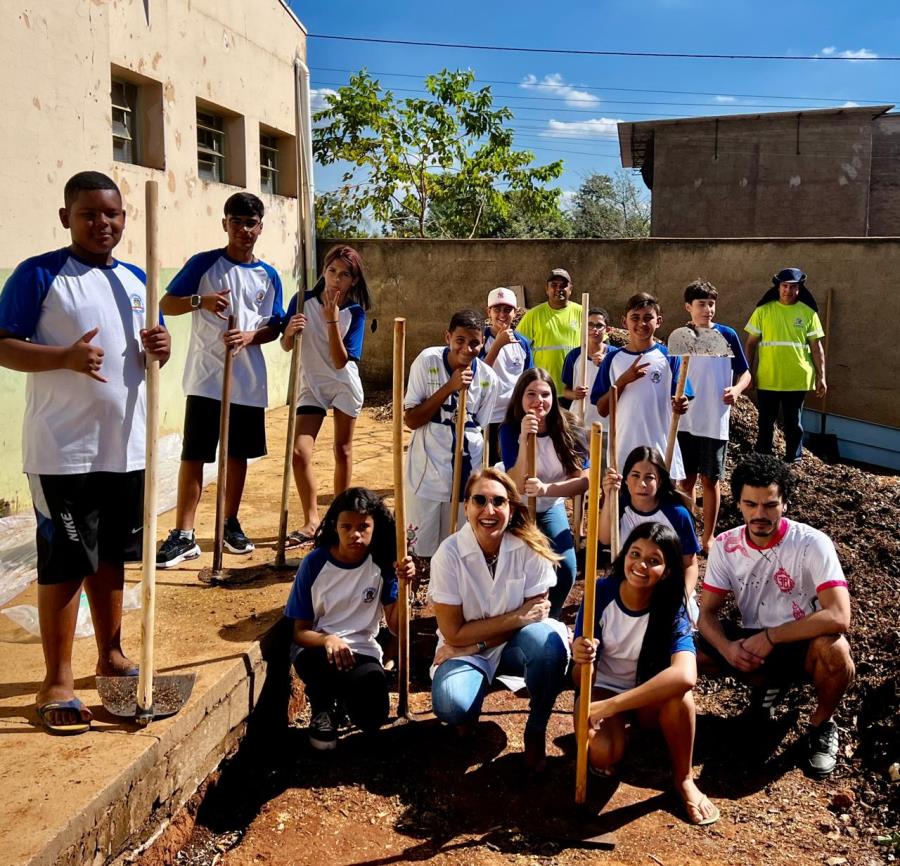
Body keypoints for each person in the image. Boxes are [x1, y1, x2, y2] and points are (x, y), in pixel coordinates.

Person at [0, 171, 171, 734]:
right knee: (66, 562)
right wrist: (62, 359)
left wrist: (161, 348)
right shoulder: (41, 275)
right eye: (90, 215)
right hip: (63, 452)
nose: (104, 224)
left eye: (113, 214)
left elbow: (150, 354)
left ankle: (112, 656)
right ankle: (58, 681)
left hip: (126, 448)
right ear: (66, 218)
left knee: (110, 558)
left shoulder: (137, 279)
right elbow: (3, 345)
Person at [697, 454, 854, 777]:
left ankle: (821, 724)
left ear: (785, 503)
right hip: (753, 645)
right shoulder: (726, 546)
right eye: (750, 504)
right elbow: (707, 615)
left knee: (836, 649)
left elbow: (839, 615)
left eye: (769, 505)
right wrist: (728, 649)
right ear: (738, 503)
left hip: (801, 644)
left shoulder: (812, 543)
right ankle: (670, 719)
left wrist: (772, 637)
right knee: (688, 651)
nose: (759, 514)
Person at [156, 192, 284, 568]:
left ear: (260, 227)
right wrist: (202, 301)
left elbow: (273, 325)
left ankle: (229, 522)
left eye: (251, 223)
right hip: (207, 377)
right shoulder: (204, 264)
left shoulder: (268, 274)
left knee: (237, 455)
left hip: (246, 380)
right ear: (225, 223)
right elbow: (167, 304)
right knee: (194, 453)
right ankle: (184, 533)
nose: (244, 229)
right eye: (237, 221)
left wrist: (249, 337)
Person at [571, 522, 719, 825]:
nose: (640, 565)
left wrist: (612, 707)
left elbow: (685, 676)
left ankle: (684, 779)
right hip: (604, 688)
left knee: (681, 698)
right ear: (624, 555)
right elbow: (579, 680)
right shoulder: (599, 593)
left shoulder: (672, 607)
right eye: (635, 554)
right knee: (602, 755)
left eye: (653, 560)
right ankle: (621, 737)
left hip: (646, 694)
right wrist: (583, 659)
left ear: (666, 571)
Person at [428, 468, 569, 771]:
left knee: (547, 646)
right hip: (468, 649)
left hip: (509, 647)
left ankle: (536, 728)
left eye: (498, 501)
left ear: (511, 508)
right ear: (466, 507)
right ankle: (471, 703)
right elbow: (452, 633)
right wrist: (517, 617)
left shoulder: (529, 548)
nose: (489, 510)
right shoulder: (448, 555)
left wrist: (471, 643)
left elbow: (537, 617)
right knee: (451, 706)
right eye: (479, 500)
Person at [285, 487, 414, 750]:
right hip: (318, 649)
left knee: (372, 718)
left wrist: (405, 587)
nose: (355, 534)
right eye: (347, 526)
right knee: (319, 665)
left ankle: (343, 701)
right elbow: (299, 632)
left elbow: (398, 627)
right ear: (335, 526)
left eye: (363, 526)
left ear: (375, 526)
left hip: (362, 650)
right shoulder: (314, 564)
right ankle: (321, 707)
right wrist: (328, 640)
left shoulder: (382, 565)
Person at [280, 246, 370, 546]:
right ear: (323, 270)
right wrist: (290, 332)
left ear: (353, 281)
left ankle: (338, 517)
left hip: (343, 384)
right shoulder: (302, 301)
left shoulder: (354, 313)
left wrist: (331, 319)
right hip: (312, 385)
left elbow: (340, 360)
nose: (336, 279)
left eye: (344, 275)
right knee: (299, 452)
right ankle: (311, 521)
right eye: (332, 271)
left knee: (342, 450)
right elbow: (286, 347)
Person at [403, 309, 499, 558]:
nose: (467, 348)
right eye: (460, 341)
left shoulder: (488, 379)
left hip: (465, 472)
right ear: (448, 337)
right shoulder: (427, 361)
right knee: (418, 549)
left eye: (475, 343)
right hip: (426, 471)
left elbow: (480, 427)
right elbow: (411, 420)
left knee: (455, 549)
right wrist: (450, 387)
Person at [500, 368, 588, 617]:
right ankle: (513, 619)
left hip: (550, 504)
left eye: (545, 394)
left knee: (566, 567)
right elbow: (515, 483)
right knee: (514, 567)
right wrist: (525, 439)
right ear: (520, 397)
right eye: (531, 394)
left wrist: (546, 489)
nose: (539, 401)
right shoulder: (510, 429)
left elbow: (582, 482)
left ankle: (551, 617)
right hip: (515, 505)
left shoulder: (571, 427)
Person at [675, 280, 751, 550]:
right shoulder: (680, 337)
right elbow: (674, 375)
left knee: (711, 479)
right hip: (685, 420)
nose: (708, 309)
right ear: (688, 307)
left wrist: (737, 390)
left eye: (711, 304)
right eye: (701, 304)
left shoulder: (727, 335)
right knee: (686, 480)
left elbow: (746, 372)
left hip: (714, 420)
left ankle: (708, 537)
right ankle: (687, 534)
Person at [591, 292, 691, 480]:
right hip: (622, 453)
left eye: (648, 318)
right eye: (635, 318)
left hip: (661, 451)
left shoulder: (670, 357)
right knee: (621, 505)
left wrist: (682, 404)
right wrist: (623, 381)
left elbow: (681, 399)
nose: (641, 324)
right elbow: (603, 409)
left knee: (664, 505)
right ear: (624, 321)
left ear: (658, 321)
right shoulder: (612, 359)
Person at [599, 446, 701, 605]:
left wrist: (683, 598)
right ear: (625, 479)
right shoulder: (619, 506)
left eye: (649, 477)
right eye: (635, 475)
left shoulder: (677, 514)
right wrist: (608, 495)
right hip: (629, 586)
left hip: (667, 590)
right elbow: (605, 539)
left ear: (660, 481)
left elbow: (690, 565)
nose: (642, 484)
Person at [744, 267, 826, 463]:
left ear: (799, 289)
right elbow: (750, 344)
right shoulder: (763, 311)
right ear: (778, 287)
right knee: (765, 421)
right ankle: (763, 457)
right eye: (785, 286)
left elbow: (816, 347)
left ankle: (793, 459)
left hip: (796, 378)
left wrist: (821, 376)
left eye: (793, 287)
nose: (788, 290)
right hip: (768, 377)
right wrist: (748, 373)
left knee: (793, 423)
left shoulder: (808, 313)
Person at [480, 286, 533, 466]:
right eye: (497, 309)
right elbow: (478, 375)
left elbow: (528, 379)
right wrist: (498, 345)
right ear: (489, 312)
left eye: (507, 309)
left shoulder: (523, 343)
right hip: (485, 415)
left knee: (510, 464)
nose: (502, 314)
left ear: (515, 312)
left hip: (512, 416)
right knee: (486, 464)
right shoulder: (479, 340)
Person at [515, 268, 582, 393]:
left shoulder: (582, 313)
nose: (558, 289)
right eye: (554, 285)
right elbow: (518, 348)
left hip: (575, 389)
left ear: (570, 289)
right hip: (544, 388)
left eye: (563, 285)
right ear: (547, 289)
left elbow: (601, 344)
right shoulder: (533, 315)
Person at [561, 305, 610, 431]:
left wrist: (607, 363)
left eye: (599, 325)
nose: (595, 330)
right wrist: (575, 394)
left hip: (606, 424)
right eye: (590, 325)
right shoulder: (574, 356)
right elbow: (565, 391)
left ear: (607, 329)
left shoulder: (615, 356)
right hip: (579, 422)